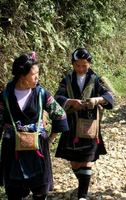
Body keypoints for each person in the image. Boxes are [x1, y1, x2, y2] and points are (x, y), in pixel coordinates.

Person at [0, 52, 69, 199]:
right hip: (13, 151)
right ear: (22, 75)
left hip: (37, 149)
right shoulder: (5, 96)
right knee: (14, 193)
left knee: (40, 192)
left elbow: (60, 114)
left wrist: (51, 138)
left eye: (38, 73)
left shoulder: (41, 94)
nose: (37, 77)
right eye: (34, 74)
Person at [54, 48, 114, 200]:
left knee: (87, 160)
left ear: (89, 64)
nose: (81, 68)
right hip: (72, 126)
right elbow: (58, 97)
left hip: (89, 125)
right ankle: (83, 183)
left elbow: (109, 96)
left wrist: (97, 100)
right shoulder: (67, 79)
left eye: (84, 65)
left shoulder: (96, 79)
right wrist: (70, 102)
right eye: (78, 65)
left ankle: (83, 195)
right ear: (73, 64)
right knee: (74, 163)